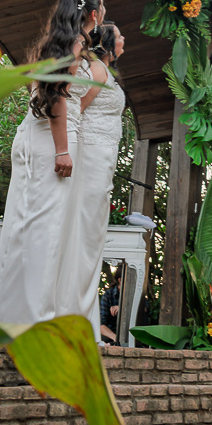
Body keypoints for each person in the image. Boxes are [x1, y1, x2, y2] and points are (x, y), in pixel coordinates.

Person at [0, 0, 105, 324]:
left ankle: (9, 316)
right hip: (53, 141)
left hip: (35, 136)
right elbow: (59, 96)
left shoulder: (53, 44)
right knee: (45, 231)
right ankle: (33, 322)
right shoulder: (76, 45)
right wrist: (63, 149)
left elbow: (64, 97)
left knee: (25, 227)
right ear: (93, 14)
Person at [69, 20, 127, 342]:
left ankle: (84, 317)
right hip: (90, 160)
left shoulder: (105, 72)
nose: (124, 40)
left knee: (92, 238)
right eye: (120, 36)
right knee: (86, 237)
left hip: (102, 161)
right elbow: (76, 109)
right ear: (107, 42)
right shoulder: (98, 72)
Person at [99, 265, 122, 344]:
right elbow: (101, 325)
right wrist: (115, 338)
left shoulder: (136, 294)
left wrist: (122, 309)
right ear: (120, 280)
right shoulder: (108, 296)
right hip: (111, 336)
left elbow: (145, 309)